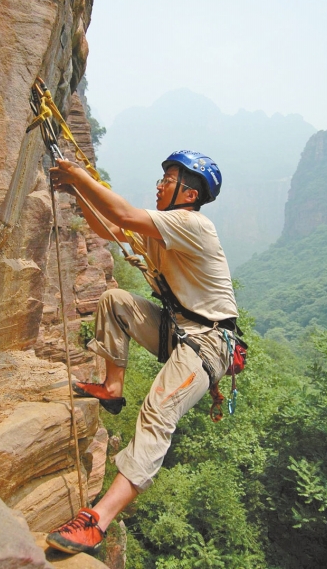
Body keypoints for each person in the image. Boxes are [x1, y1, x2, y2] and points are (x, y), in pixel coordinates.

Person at [46, 150, 238, 555]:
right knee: (115, 300)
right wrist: (77, 188)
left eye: (168, 179)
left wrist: (81, 177)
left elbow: (125, 215)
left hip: (208, 341)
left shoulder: (192, 224)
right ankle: (113, 387)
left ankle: (98, 521)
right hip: (178, 328)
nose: (159, 184)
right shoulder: (164, 227)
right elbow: (109, 225)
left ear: (189, 194)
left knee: (159, 408)